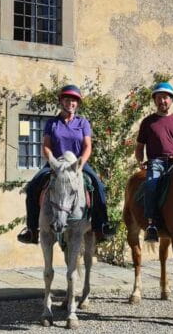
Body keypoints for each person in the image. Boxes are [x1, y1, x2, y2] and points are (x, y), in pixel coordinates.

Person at [17, 85, 114, 245]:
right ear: (61, 101)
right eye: (67, 99)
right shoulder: (52, 123)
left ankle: (101, 226)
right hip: (56, 165)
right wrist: (53, 162)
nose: (71, 103)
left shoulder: (83, 123)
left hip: (77, 164)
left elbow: (87, 146)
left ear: (78, 103)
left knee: (98, 186)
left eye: (74, 100)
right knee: (33, 186)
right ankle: (32, 230)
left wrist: (81, 163)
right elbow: (46, 146)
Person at [135, 81, 173, 242]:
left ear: (171, 100)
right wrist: (140, 161)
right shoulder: (148, 122)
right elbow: (140, 147)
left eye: (165, 97)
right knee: (151, 185)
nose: (162, 101)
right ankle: (152, 224)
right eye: (159, 98)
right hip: (157, 163)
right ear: (154, 101)